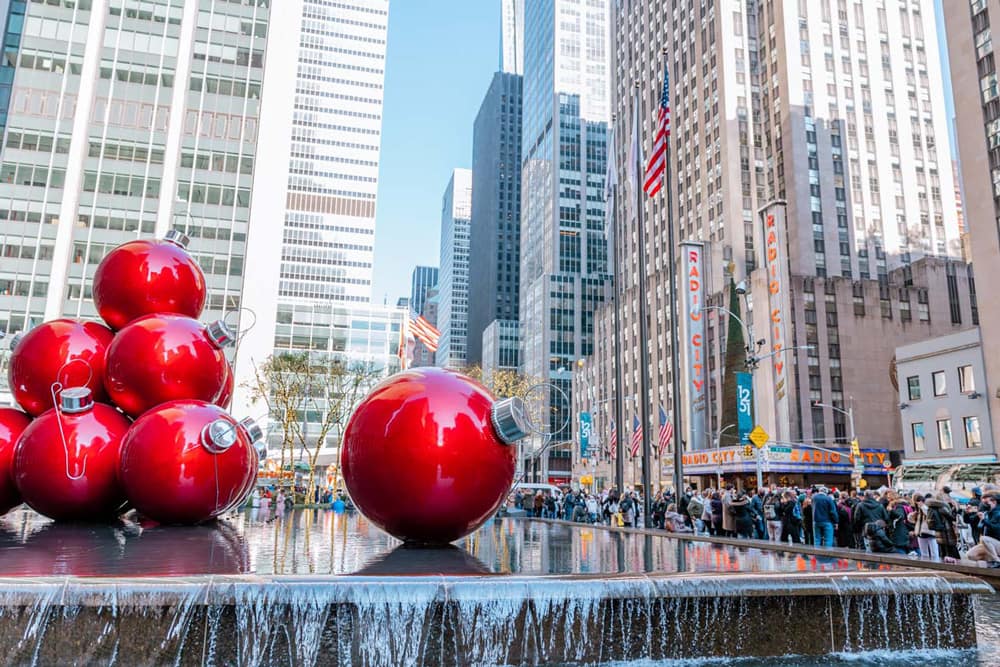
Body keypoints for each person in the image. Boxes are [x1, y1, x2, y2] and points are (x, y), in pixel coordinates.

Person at [926, 495, 960, 560]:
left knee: (942, 552)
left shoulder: (932, 507)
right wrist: (955, 507)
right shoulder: (943, 508)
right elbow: (953, 517)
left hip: (939, 533)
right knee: (951, 554)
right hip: (946, 534)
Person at [909, 494, 939, 561]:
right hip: (920, 533)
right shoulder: (918, 511)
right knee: (924, 554)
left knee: (934, 553)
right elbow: (912, 521)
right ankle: (926, 566)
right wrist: (911, 515)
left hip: (931, 532)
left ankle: (936, 566)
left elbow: (930, 515)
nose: (918, 504)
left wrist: (922, 506)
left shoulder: (930, 508)